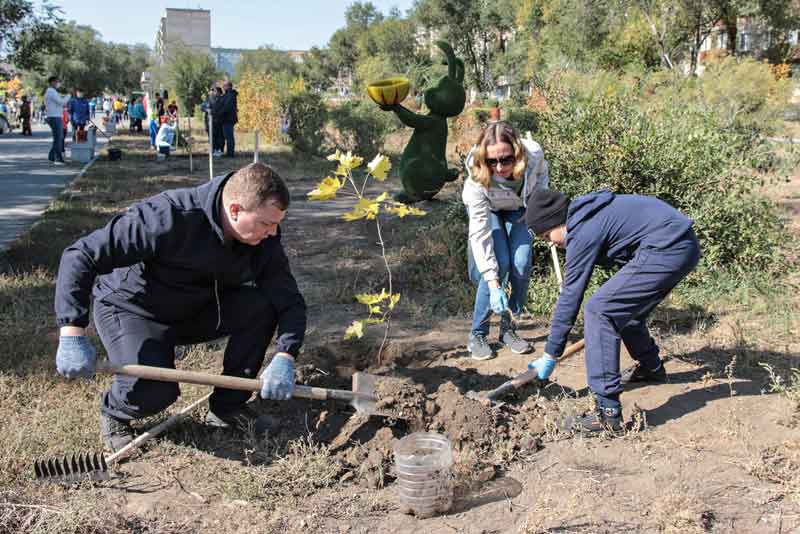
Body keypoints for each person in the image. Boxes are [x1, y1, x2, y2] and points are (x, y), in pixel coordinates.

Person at [53, 163, 307, 451]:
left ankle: (227, 407)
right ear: (235, 210)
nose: (273, 232)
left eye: (277, 224)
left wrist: (286, 354)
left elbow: (289, 300)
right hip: (133, 310)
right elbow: (80, 256)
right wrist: (72, 330)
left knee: (262, 306)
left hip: (195, 308)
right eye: (266, 223)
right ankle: (115, 412)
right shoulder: (167, 216)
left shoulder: (264, 241)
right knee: (154, 393)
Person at [524, 189, 701, 434]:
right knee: (623, 310)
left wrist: (551, 354)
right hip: (682, 244)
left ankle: (607, 414)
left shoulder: (583, 230)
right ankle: (651, 368)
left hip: (668, 247)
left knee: (599, 311)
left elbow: (571, 295)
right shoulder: (588, 214)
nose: (551, 243)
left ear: (557, 221)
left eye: (547, 235)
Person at [462, 121, 549, 360]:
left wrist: (535, 204)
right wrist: (493, 284)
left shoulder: (534, 154)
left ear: (517, 153)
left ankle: (509, 329)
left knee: (521, 263)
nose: (499, 167)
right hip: (489, 209)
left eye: (506, 159)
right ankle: (477, 334)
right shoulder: (475, 180)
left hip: (518, 208)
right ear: (483, 159)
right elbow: (480, 234)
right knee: (498, 264)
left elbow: (542, 175)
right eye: (492, 161)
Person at [44, 76, 70, 165]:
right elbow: (61, 102)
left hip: (55, 116)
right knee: (59, 138)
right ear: (52, 82)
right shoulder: (51, 91)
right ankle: (58, 159)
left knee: (58, 138)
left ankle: (51, 156)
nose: (58, 84)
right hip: (54, 117)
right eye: (57, 82)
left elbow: (59, 103)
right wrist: (69, 95)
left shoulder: (53, 91)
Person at [218, 81, 238, 158]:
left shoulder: (230, 95)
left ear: (229, 86)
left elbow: (227, 107)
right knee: (228, 136)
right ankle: (229, 152)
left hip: (228, 119)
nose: (223, 87)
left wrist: (219, 113)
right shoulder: (228, 95)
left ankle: (230, 154)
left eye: (224, 86)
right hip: (227, 118)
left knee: (229, 137)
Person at [210, 86, 224, 156]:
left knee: (220, 136)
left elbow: (220, 110)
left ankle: (220, 150)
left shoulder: (222, 99)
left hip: (220, 120)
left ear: (218, 92)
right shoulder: (214, 99)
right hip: (214, 120)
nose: (214, 93)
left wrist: (215, 113)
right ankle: (215, 149)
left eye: (215, 91)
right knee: (214, 136)